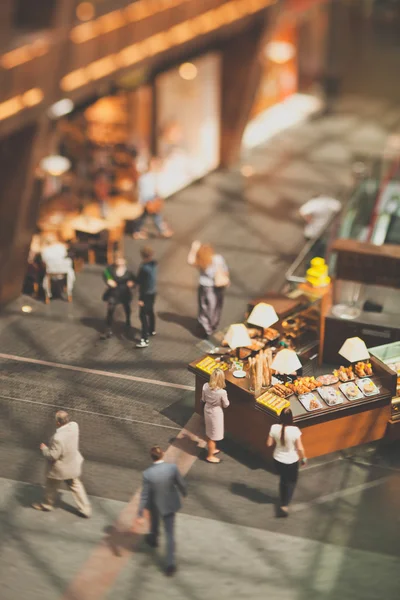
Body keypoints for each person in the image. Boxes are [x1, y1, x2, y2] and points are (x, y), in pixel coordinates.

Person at [135, 446, 187, 576]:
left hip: (155, 503)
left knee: (154, 523)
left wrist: (140, 512)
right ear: (162, 455)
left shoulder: (148, 473)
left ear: (151, 457)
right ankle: (170, 564)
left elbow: (145, 495)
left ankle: (153, 539)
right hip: (169, 503)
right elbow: (180, 482)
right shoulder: (172, 468)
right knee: (170, 533)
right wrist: (184, 492)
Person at [32, 410, 91, 517]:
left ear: (58, 423)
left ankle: (47, 505)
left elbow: (53, 456)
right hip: (72, 464)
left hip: (60, 469)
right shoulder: (74, 426)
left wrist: (44, 449)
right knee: (76, 485)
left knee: (51, 485)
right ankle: (86, 509)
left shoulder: (58, 438)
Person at [267, 408, 307, 517]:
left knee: (283, 480)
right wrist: (304, 458)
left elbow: (269, 444)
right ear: (291, 418)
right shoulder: (295, 431)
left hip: (278, 459)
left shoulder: (274, 427)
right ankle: (284, 504)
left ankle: (282, 498)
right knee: (291, 483)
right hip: (291, 461)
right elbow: (300, 448)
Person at [187, 241, 229, 337]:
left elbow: (190, 260)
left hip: (205, 288)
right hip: (219, 287)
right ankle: (213, 325)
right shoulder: (218, 258)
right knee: (217, 306)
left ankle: (206, 328)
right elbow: (225, 270)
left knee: (204, 307)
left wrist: (194, 248)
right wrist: (226, 279)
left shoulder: (201, 262)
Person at [133, 157, 173, 239]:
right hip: (148, 200)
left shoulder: (152, 177)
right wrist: (143, 201)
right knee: (156, 216)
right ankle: (162, 231)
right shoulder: (144, 178)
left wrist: (157, 196)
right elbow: (142, 191)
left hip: (151, 198)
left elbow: (153, 189)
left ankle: (137, 231)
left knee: (143, 216)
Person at [102, 255, 135, 338]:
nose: (118, 261)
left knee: (126, 307)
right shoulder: (111, 269)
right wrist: (109, 280)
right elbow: (105, 273)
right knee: (111, 308)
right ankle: (108, 327)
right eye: (117, 260)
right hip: (114, 292)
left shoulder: (128, 272)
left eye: (120, 260)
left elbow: (134, 280)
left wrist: (132, 283)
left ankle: (128, 320)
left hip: (124, 292)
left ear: (124, 261)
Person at [201, 368, 230, 463]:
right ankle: (210, 456)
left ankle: (211, 449)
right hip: (216, 413)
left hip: (207, 409)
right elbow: (226, 404)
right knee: (213, 436)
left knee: (209, 431)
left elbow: (203, 399)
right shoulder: (222, 392)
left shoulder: (205, 386)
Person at [41, 235, 76, 301]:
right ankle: (69, 293)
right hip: (64, 269)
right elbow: (65, 255)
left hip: (51, 270)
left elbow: (43, 261)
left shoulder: (44, 250)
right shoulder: (61, 247)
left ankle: (47, 295)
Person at [135, 246, 157, 348]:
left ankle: (144, 339)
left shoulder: (144, 268)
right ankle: (152, 329)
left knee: (142, 315)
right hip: (153, 292)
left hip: (145, 294)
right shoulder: (154, 264)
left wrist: (141, 299)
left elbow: (141, 282)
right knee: (150, 311)